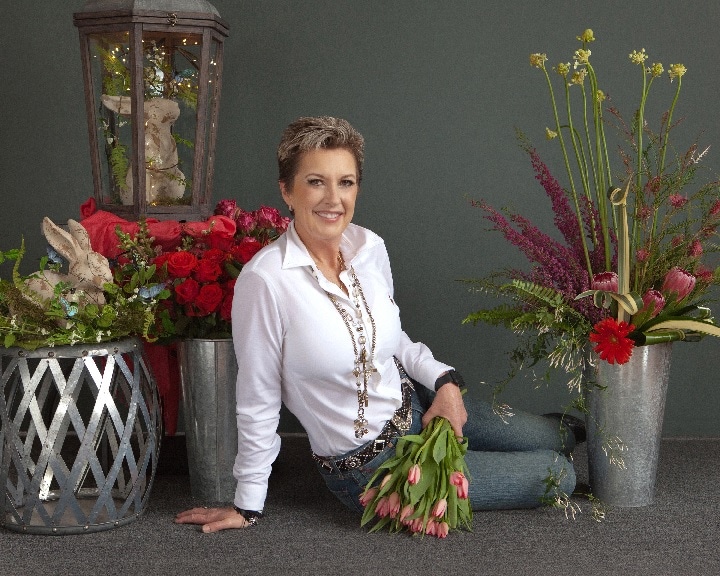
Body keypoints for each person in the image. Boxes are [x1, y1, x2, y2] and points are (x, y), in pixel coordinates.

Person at [175, 116, 579, 532]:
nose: (333, 199)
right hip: (375, 469)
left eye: (346, 182)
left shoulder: (368, 247)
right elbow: (257, 397)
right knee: (558, 473)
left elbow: (392, 338)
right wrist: (247, 504)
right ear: (287, 191)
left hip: (420, 405)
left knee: (556, 437)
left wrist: (444, 382)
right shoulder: (265, 281)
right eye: (315, 182)